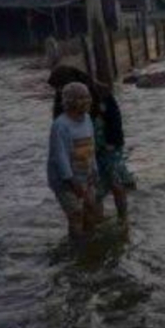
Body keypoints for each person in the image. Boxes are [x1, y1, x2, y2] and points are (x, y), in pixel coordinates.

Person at [48, 66, 134, 223]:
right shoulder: (64, 100)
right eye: (57, 89)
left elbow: (115, 119)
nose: (59, 91)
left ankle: (123, 218)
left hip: (108, 144)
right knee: (96, 189)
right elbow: (59, 133)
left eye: (60, 87)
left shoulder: (98, 92)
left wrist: (112, 142)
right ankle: (98, 222)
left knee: (116, 182)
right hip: (84, 150)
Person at [47, 82, 97, 239]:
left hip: (85, 173)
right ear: (70, 102)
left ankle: (90, 242)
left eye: (88, 97)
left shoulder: (88, 119)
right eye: (82, 98)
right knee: (75, 213)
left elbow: (91, 145)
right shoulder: (61, 125)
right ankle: (77, 249)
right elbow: (59, 156)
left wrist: (94, 169)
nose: (87, 101)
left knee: (90, 208)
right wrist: (71, 180)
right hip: (65, 180)